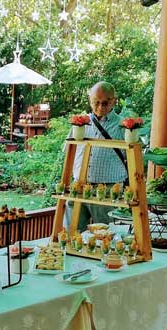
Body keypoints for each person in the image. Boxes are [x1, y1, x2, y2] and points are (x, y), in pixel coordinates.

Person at [71, 81, 128, 227]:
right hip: (79, 186)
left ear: (114, 100)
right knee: (71, 233)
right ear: (90, 99)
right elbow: (69, 153)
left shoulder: (124, 126)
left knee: (107, 234)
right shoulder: (80, 123)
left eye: (105, 103)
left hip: (109, 189)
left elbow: (134, 160)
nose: (100, 107)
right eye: (96, 102)